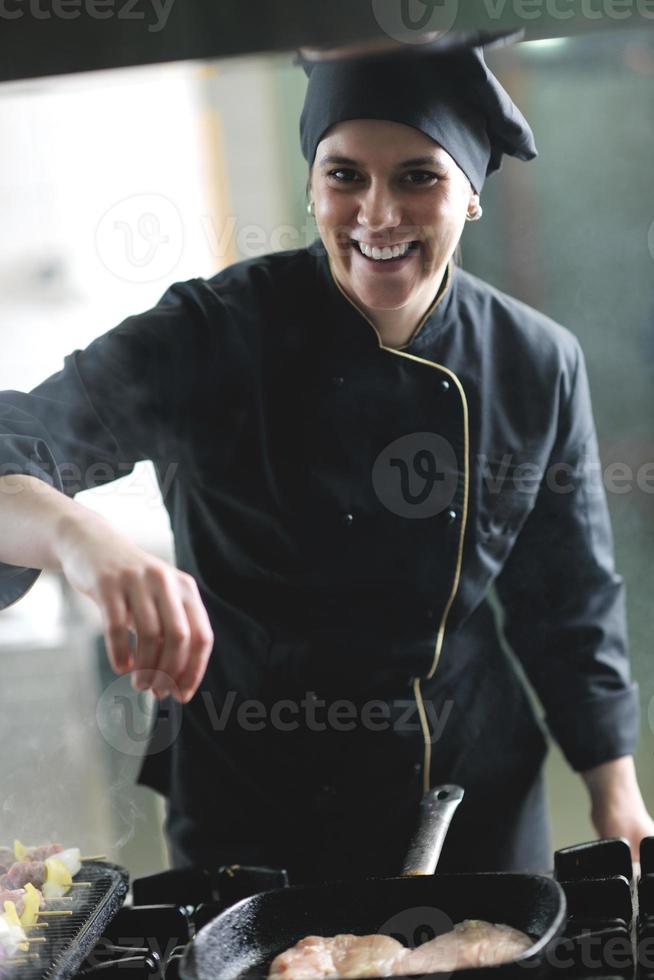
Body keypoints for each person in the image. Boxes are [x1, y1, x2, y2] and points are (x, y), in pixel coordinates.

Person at [0, 36, 652, 882]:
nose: (378, 214)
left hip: (470, 799)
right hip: (256, 810)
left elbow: (567, 597)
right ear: (312, 184)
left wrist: (616, 792)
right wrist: (80, 539)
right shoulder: (214, 333)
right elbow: (17, 446)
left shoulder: (535, 359)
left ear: (472, 194)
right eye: (345, 175)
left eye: (419, 175)